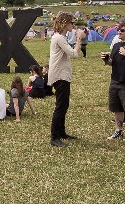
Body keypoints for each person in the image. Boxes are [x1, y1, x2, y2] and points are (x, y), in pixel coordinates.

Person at [48, 12, 84, 147]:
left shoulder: (59, 37)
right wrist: (79, 39)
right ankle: (54, 137)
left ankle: (61, 132)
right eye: (71, 23)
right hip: (60, 76)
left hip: (61, 75)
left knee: (64, 105)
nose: (73, 25)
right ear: (64, 23)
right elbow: (74, 54)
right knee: (60, 106)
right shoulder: (59, 38)